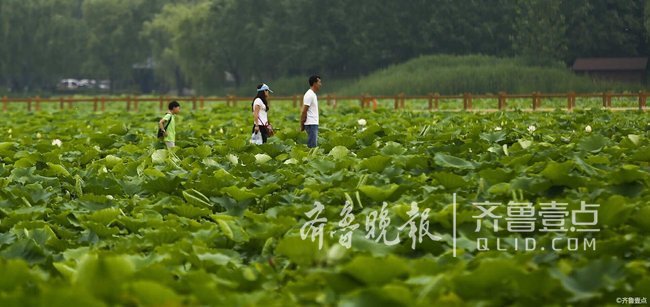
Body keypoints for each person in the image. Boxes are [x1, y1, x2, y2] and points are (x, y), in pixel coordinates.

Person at [300, 75, 321, 148]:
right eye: (319, 82)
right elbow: (304, 110)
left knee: (313, 144)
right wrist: (302, 124)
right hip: (311, 123)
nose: (320, 84)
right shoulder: (309, 95)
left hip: (313, 122)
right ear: (314, 83)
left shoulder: (312, 94)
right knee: (312, 145)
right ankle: (310, 159)